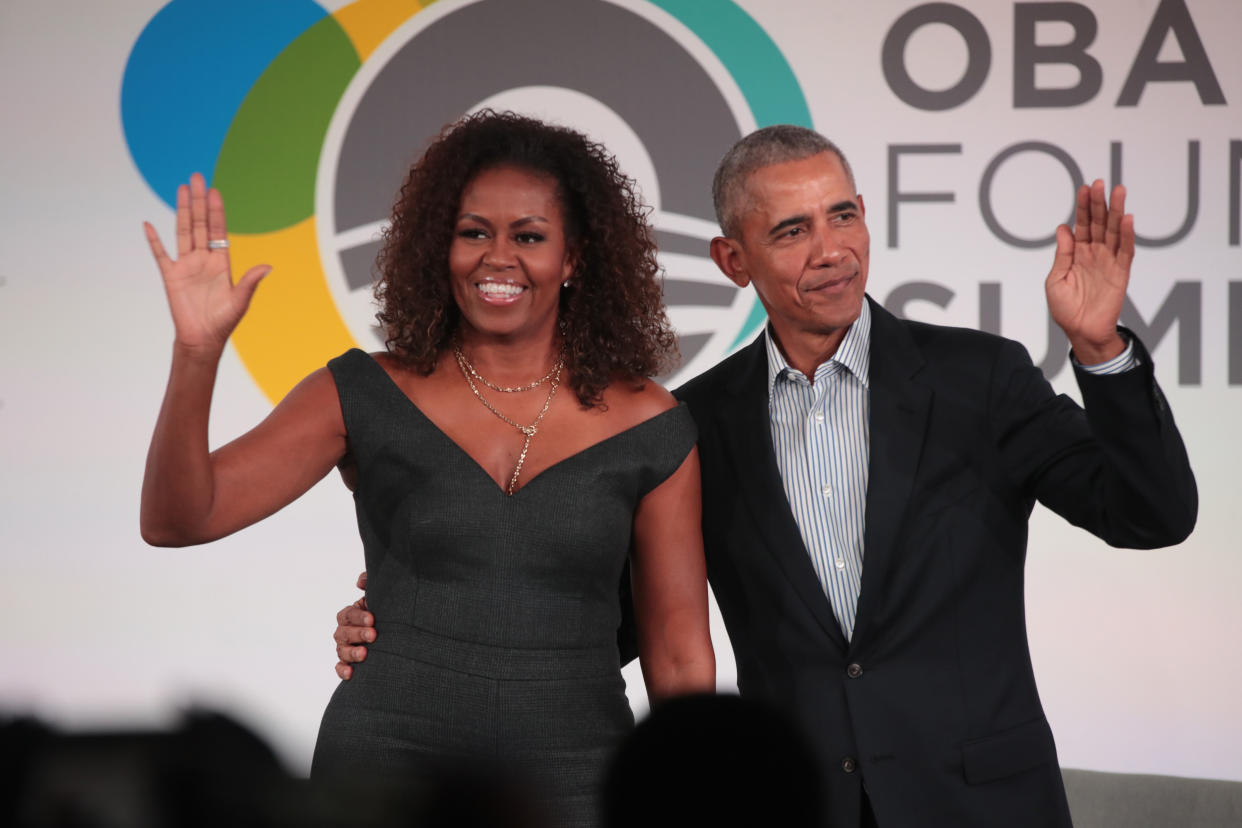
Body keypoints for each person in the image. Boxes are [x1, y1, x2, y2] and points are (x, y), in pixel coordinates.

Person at [335, 125, 1197, 827]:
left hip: (978, 804)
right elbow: (611, 624)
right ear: (732, 259)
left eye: (843, 216)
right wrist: (417, 618)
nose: (831, 251)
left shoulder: (982, 379)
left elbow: (1151, 514)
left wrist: (1099, 350)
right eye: (792, 231)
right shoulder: (689, 423)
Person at [140, 111, 715, 827]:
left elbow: (681, 658)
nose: (496, 258)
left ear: (574, 259)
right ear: (438, 246)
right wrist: (197, 351)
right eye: (473, 232)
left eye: (529, 236)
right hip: (384, 771)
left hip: (579, 777)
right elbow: (177, 519)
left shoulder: (649, 424)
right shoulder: (365, 393)